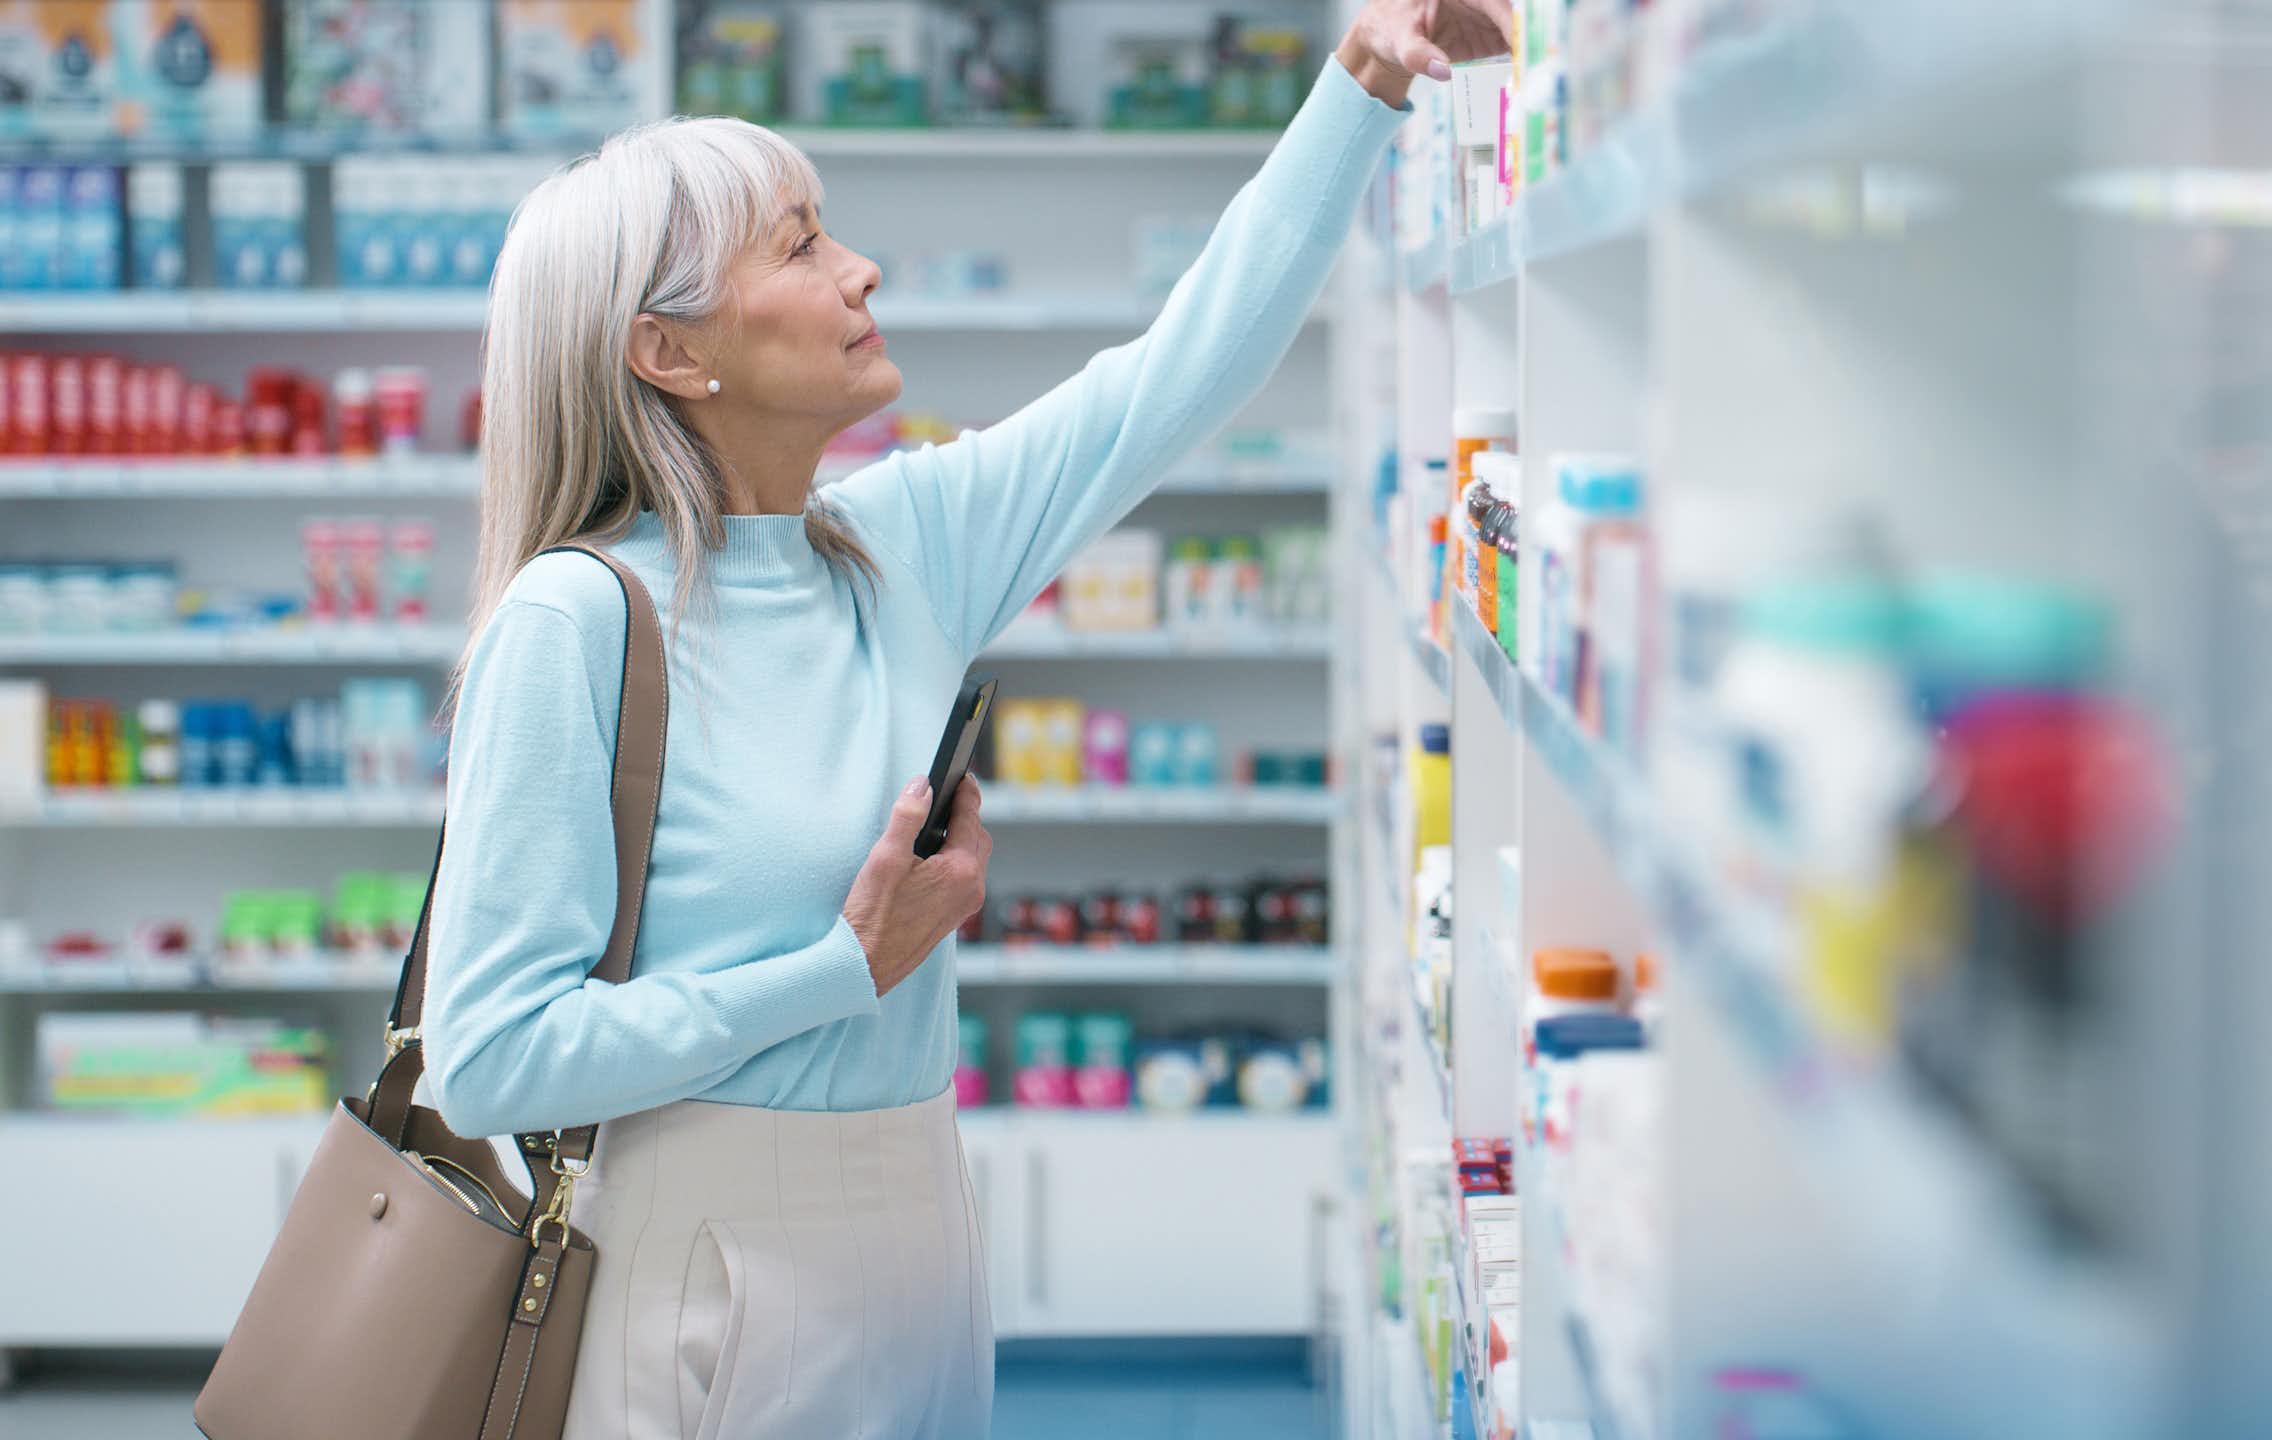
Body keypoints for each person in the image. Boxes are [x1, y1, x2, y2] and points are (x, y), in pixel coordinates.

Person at [421, 0, 1510, 1435]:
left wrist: (1367, 76)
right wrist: (841, 968)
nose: (860, 266)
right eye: (799, 245)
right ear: (670, 354)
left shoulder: (897, 545)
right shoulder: (575, 625)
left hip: (920, 1213)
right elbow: (490, 1058)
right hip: (705, 1258)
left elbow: (1180, 372)